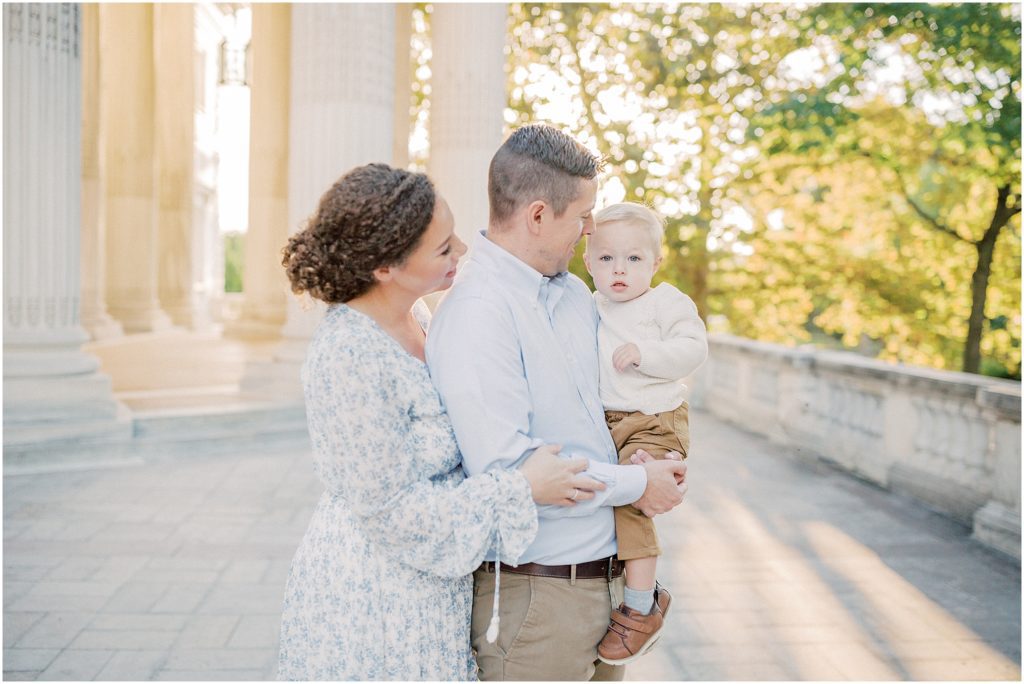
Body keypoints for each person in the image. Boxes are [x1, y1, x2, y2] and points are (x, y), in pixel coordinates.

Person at [276, 163, 607, 680]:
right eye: (443, 248)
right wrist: (521, 487)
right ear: (386, 266)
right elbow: (392, 512)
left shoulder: (421, 317)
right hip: (375, 601)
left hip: (435, 587)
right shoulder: (347, 355)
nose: (463, 251)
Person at [425, 125, 689, 681]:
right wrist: (640, 485)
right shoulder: (478, 313)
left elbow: (617, 404)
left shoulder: (574, 293)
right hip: (538, 601)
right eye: (583, 214)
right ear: (539, 216)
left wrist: (648, 453)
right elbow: (510, 473)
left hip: (607, 592)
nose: (590, 228)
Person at [582, 202, 708, 664]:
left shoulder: (665, 302)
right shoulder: (587, 305)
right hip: (608, 422)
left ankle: (641, 607)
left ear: (655, 263)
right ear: (588, 262)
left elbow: (693, 348)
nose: (620, 270)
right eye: (607, 259)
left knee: (636, 498)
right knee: (608, 500)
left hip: (655, 418)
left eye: (634, 259)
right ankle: (627, 586)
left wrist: (646, 353)